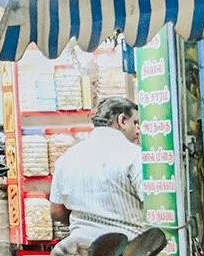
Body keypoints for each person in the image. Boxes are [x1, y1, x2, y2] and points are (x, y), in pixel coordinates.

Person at [49, 97, 148, 244]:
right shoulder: (134, 156)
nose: (137, 131)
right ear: (122, 120)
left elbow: (56, 212)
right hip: (127, 250)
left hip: (80, 250)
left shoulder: (67, 158)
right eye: (135, 123)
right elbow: (151, 205)